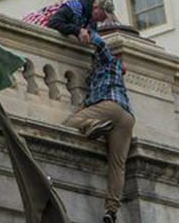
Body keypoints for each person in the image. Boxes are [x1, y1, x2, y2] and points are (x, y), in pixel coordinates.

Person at [63, 22, 136, 223]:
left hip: (109, 107)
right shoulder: (117, 76)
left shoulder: (107, 62)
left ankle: (92, 125)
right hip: (127, 117)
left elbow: (102, 46)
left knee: (72, 122)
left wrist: (85, 32)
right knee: (117, 164)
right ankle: (111, 210)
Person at [44, 0, 113, 37]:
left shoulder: (92, 23)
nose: (102, 20)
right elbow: (53, 23)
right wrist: (78, 30)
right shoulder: (72, 8)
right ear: (95, 7)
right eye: (102, 15)